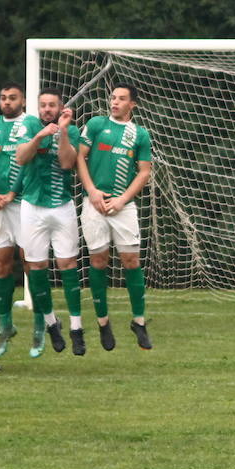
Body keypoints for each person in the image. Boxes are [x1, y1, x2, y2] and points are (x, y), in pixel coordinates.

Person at [76, 83, 153, 350]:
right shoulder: (96, 125)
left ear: (133, 104)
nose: (115, 102)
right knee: (98, 260)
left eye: (121, 99)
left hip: (123, 206)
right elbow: (79, 157)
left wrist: (122, 199)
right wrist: (92, 192)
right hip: (94, 203)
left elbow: (144, 172)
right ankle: (103, 322)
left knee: (131, 260)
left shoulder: (140, 134)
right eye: (113, 98)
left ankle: (139, 322)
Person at [15, 88, 83, 356]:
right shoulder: (29, 125)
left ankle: (77, 328)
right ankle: (51, 322)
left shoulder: (72, 130)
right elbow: (21, 157)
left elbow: (67, 163)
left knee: (67, 263)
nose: (46, 109)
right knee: (36, 265)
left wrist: (62, 131)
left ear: (60, 107)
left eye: (51, 105)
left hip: (62, 206)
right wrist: (41, 136)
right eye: (43, 105)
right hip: (32, 206)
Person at [0, 82, 34, 357]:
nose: (7, 102)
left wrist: (12, 193)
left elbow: (29, 163)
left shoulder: (31, 123)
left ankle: (41, 325)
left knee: (29, 260)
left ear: (22, 101)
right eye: (3, 98)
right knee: (2, 264)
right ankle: (6, 324)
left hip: (24, 203)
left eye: (12, 98)